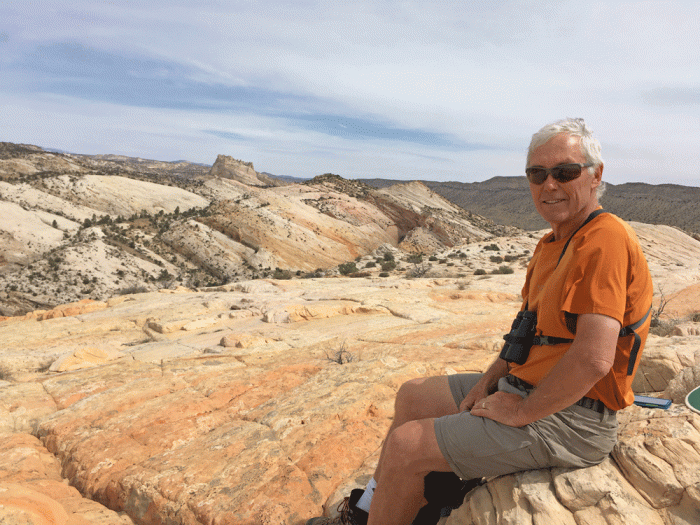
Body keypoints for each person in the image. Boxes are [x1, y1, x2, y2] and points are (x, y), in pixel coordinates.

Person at [306, 118, 653, 525]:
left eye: (565, 172)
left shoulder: (605, 239)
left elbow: (594, 359)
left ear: (595, 176)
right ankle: (369, 511)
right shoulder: (552, 243)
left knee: (406, 445)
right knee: (414, 396)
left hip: (574, 419)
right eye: (537, 174)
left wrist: (522, 411)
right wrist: (488, 381)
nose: (549, 185)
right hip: (529, 386)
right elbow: (526, 333)